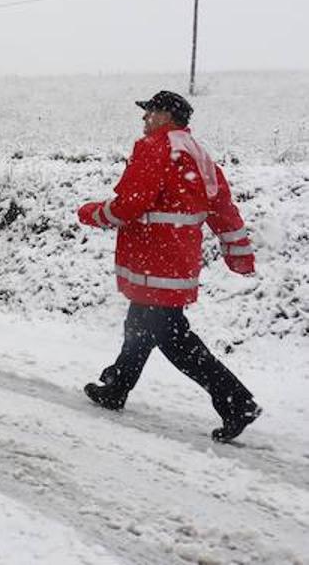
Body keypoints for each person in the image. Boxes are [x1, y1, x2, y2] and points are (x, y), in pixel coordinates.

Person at [77, 90, 261, 442]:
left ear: (165, 115)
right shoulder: (199, 154)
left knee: (172, 337)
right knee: (141, 324)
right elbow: (222, 207)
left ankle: (236, 401)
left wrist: (93, 213)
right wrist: (237, 250)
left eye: (149, 113)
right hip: (178, 259)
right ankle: (116, 385)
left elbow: (130, 204)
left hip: (152, 258)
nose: (144, 119)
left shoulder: (155, 148)